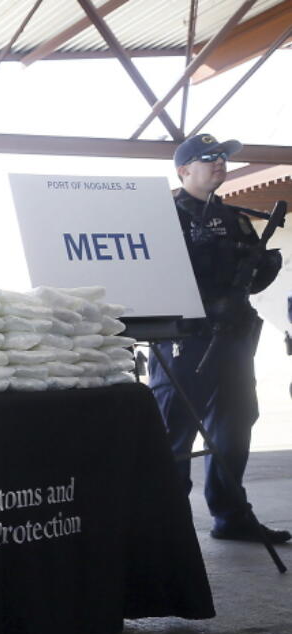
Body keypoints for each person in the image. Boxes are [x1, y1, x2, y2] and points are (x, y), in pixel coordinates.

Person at [148, 133, 289, 543]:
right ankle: (167, 523)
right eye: (208, 158)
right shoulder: (162, 215)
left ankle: (231, 515)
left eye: (223, 158)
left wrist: (264, 265)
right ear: (183, 169)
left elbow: (253, 281)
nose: (219, 163)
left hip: (233, 335)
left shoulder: (234, 219)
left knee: (235, 423)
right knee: (174, 429)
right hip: (185, 336)